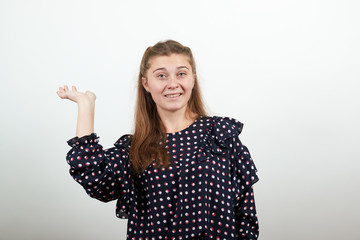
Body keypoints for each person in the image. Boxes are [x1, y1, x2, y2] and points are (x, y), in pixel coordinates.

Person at [57, 40, 259, 239]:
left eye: (181, 73)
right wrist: (85, 105)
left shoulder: (221, 135)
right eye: (161, 76)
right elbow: (95, 177)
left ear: (193, 79)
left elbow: (245, 211)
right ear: (145, 83)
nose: (173, 84)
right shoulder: (134, 148)